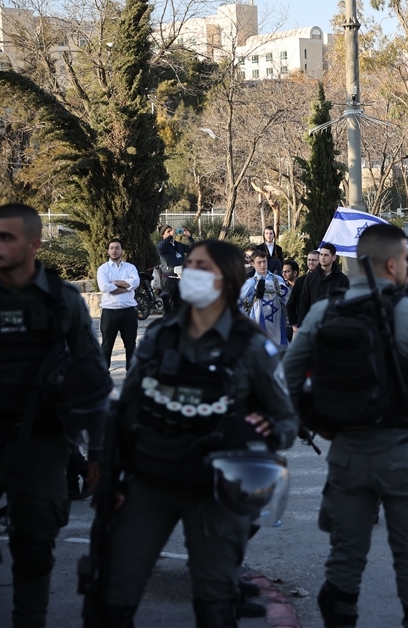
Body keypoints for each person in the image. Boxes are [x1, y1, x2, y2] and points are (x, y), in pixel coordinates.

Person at [95, 239, 298, 627]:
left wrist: (268, 430)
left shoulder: (252, 346)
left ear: (226, 280)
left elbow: (286, 420)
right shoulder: (160, 336)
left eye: (202, 266)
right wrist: (109, 470)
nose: (191, 273)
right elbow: (127, 408)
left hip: (214, 492)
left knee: (215, 598)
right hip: (149, 482)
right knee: (114, 590)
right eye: (189, 265)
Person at [284, 223, 408, 628]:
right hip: (406, 454)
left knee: (345, 556)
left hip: (346, 453)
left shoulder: (323, 312)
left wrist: (319, 424)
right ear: (395, 263)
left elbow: (288, 378)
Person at [0, 203, 109, 628]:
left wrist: (97, 452)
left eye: (7, 237)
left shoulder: (63, 302)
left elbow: (93, 379)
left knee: (35, 548)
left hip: (42, 444)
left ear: (34, 245)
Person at [97, 239, 140, 370]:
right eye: (111, 248)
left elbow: (136, 282)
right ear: (108, 251)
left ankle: (131, 374)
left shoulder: (130, 267)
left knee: (131, 345)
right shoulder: (103, 269)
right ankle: (103, 375)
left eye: (117, 248)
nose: (114, 250)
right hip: (110, 313)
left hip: (129, 312)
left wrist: (115, 282)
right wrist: (127, 287)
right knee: (106, 346)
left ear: (122, 251)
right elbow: (104, 287)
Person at [241, 250, 290, 348]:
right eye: (259, 262)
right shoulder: (251, 283)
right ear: (252, 264)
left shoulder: (278, 279)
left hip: (277, 324)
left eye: (264, 261)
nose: (263, 265)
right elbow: (237, 301)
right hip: (258, 323)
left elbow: (288, 300)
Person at [297, 243, 350, 328]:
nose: (322, 257)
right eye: (321, 254)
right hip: (314, 324)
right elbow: (304, 302)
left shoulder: (342, 279)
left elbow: (345, 304)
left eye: (326, 255)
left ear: (333, 258)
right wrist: (301, 325)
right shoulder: (311, 277)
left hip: (334, 326)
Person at [157, 225, 190, 314]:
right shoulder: (162, 246)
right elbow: (160, 248)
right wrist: (171, 236)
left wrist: (189, 237)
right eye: (168, 232)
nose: (171, 232)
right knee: (169, 305)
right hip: (168, 279)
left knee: (180, 305)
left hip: (180, 278)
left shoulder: (178, 245)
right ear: (163, 235)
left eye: (171, 231)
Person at [289, 251, 318, 333]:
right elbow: (291, 303)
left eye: (314, 260)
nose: (311, 262)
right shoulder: (300, 281)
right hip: (303, 325)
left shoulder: (324, 280)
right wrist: (294, 323)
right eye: (309, 260)